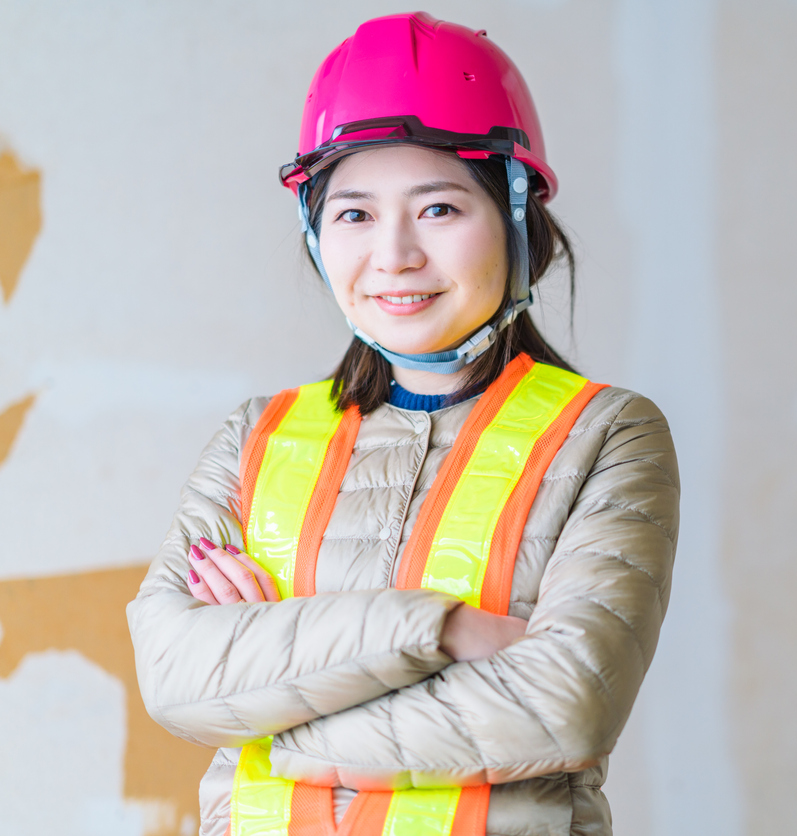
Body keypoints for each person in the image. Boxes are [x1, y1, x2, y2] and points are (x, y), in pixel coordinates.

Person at [127, 12, 678, 836]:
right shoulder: (256, 437)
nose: (393, 255)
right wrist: (441, 629)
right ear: (315, 235)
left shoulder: (604, 434)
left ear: (517, 220)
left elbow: (565, 707)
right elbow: (176, 679)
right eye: (353, 214)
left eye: (439, 209)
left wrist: (272, 718)